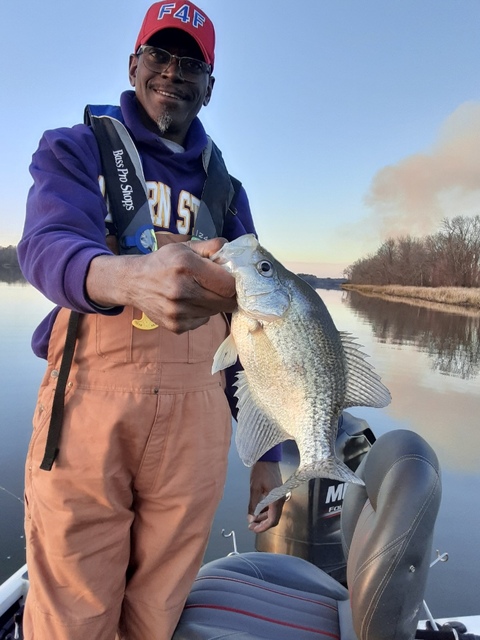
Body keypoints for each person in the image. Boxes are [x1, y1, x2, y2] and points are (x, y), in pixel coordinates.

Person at [17, 2, 285, 638]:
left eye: (190, 63)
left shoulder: (228, 191)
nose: (173, 72)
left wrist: (270, 454)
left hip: (200, 423)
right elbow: (46, 244)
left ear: (210, 84)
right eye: (159, 56)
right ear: (134, 63)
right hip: (89, 410)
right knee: (73, 611)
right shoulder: (75, 149)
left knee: (161, 607)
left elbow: (261, 330)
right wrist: (125, 277)